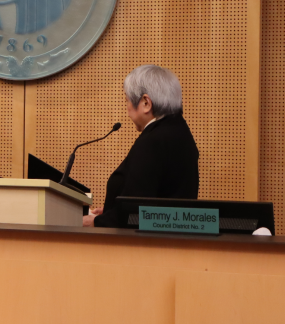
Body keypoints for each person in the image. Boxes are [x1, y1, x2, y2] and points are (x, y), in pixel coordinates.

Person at [84, 65, 199, 228]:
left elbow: (135, 214)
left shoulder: (154, 141)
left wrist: (96, 221)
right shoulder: (179, 133)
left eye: (127, 100)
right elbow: (154, 203)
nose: (127, 110)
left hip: (145, 248)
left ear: (145, 103)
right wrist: (112, 212)